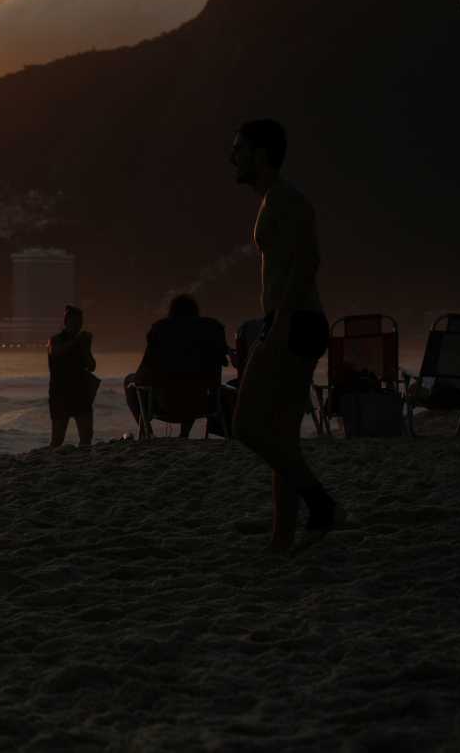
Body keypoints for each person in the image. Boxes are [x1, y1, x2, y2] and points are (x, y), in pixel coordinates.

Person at [230, 118, 341, 551]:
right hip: (297, 321)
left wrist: (278, 327)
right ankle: (282, 540)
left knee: (247, 426)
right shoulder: (273, 200)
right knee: (281, 437)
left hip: (292, 322)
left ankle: (321, 503)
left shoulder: (286, 199)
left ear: (261, 153)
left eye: (239, 148)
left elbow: (307, 262)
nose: (232, 156)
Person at [124, 293, 230, 437]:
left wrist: (135, 382)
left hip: (166, 405)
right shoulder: (210, 329)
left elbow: (145, 372)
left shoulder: (160, 330)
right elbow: (222, 362)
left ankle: (147, 432)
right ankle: (184, 434)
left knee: (129, 381)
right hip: (201, 405)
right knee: (193, 383)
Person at [48, 305, 97, 448]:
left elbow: (91, 366)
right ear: (66, 321)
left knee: (86, 437)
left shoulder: (82, 340)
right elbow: (56, 353)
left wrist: (86, 347)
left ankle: (84, 461)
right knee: (57, 439)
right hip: (60, 393)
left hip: (81, 392)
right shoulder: (55, 340)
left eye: (80, 322)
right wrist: (77, 342)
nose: (78, 325)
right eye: (75, 321)